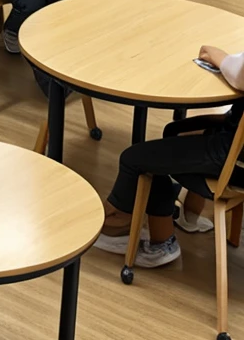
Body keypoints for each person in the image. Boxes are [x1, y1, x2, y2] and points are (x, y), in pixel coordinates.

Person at [95, 43, 244, 267]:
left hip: (234, 161)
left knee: (134, 160)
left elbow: (239, 74)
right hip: (237, 143)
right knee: (173, 132)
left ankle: (156, 243)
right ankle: (189, 217)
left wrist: (219, 57)